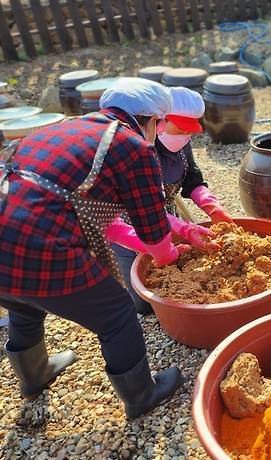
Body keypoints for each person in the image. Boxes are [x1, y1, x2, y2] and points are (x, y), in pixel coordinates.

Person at [0, 78, 191, 419]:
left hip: (6, 240)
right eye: (159, 124)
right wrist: (176, 258)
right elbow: (154, 237)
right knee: (117, 313)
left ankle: (34, 376)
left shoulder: (60, 129)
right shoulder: (133, 146)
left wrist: (182, 227)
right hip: (44, 245)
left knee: (24, 303)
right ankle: (142, 395)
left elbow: (104, 219)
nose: (158, 131)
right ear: (150, 120)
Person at [106, 86, 231, 315]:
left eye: (190, 131)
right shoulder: (138, 150)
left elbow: (192, 179)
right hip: (126, 224)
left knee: (179, 270)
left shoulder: (181, 144)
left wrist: (212, 207)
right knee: (143, 302)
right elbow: (135, 210)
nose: (186, 135)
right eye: (181, 128)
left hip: (166, 217)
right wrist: (174, 235)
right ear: (159, 121)